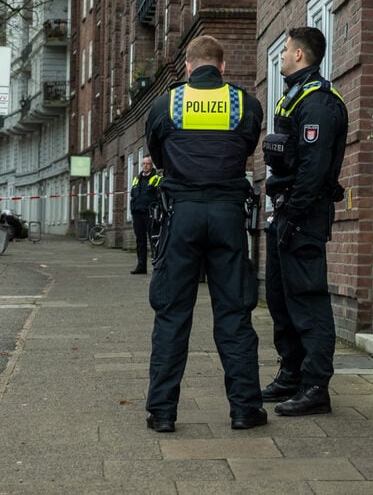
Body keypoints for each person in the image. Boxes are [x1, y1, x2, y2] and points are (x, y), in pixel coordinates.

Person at [144, 35, 265, 432]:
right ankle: (245, 408)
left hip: (182, 214)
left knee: (172, 313)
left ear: (187, 67)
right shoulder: (245, 103)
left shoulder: (167, 103)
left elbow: (158, 154)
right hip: (229, 214)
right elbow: (247, 146)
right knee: (234, 312)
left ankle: (163, 412)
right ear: (223, 66)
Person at [261, 26, 348, 416]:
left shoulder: (319, 103)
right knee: (281, 299)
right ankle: (291, 374)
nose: (280, 57)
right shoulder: (295, 97)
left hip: (303, 217)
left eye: (284, 51)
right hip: (286, 212)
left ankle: (316, 386)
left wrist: (293, 216)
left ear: (299, 55)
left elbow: (313, 171)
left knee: (308, 300)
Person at [129, 156, 160, 274]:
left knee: (153, 240)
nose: (145, 166)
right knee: (140, 241)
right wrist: (133, 210)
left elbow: (158, 197)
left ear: (151, 165)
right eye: (143, 164)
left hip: (150, 214)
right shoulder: (137, 179)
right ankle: (141, 266)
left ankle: (156, 265)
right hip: (137, 214)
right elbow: (133, 195)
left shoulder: (156, 178)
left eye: (147, 164)